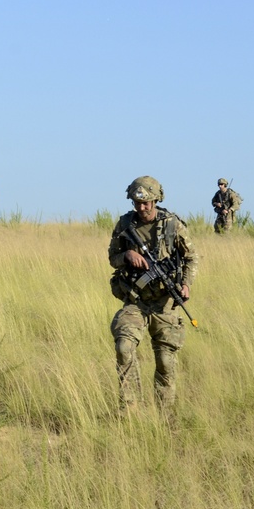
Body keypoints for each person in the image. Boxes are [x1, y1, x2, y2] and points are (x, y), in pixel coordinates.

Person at [108, 176, 198, 415]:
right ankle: (129, 410)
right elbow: (112, 259)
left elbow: (191, 258)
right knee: (124, 346)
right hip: (135, 301)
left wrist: (186, 285)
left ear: (157, 199)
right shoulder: (125, 225)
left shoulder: (172, 225)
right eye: (138, 203)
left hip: (165, 303)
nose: (142, 207)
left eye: (147, 202)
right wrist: (127, 255)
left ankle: (165, 416)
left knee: (165, 362)